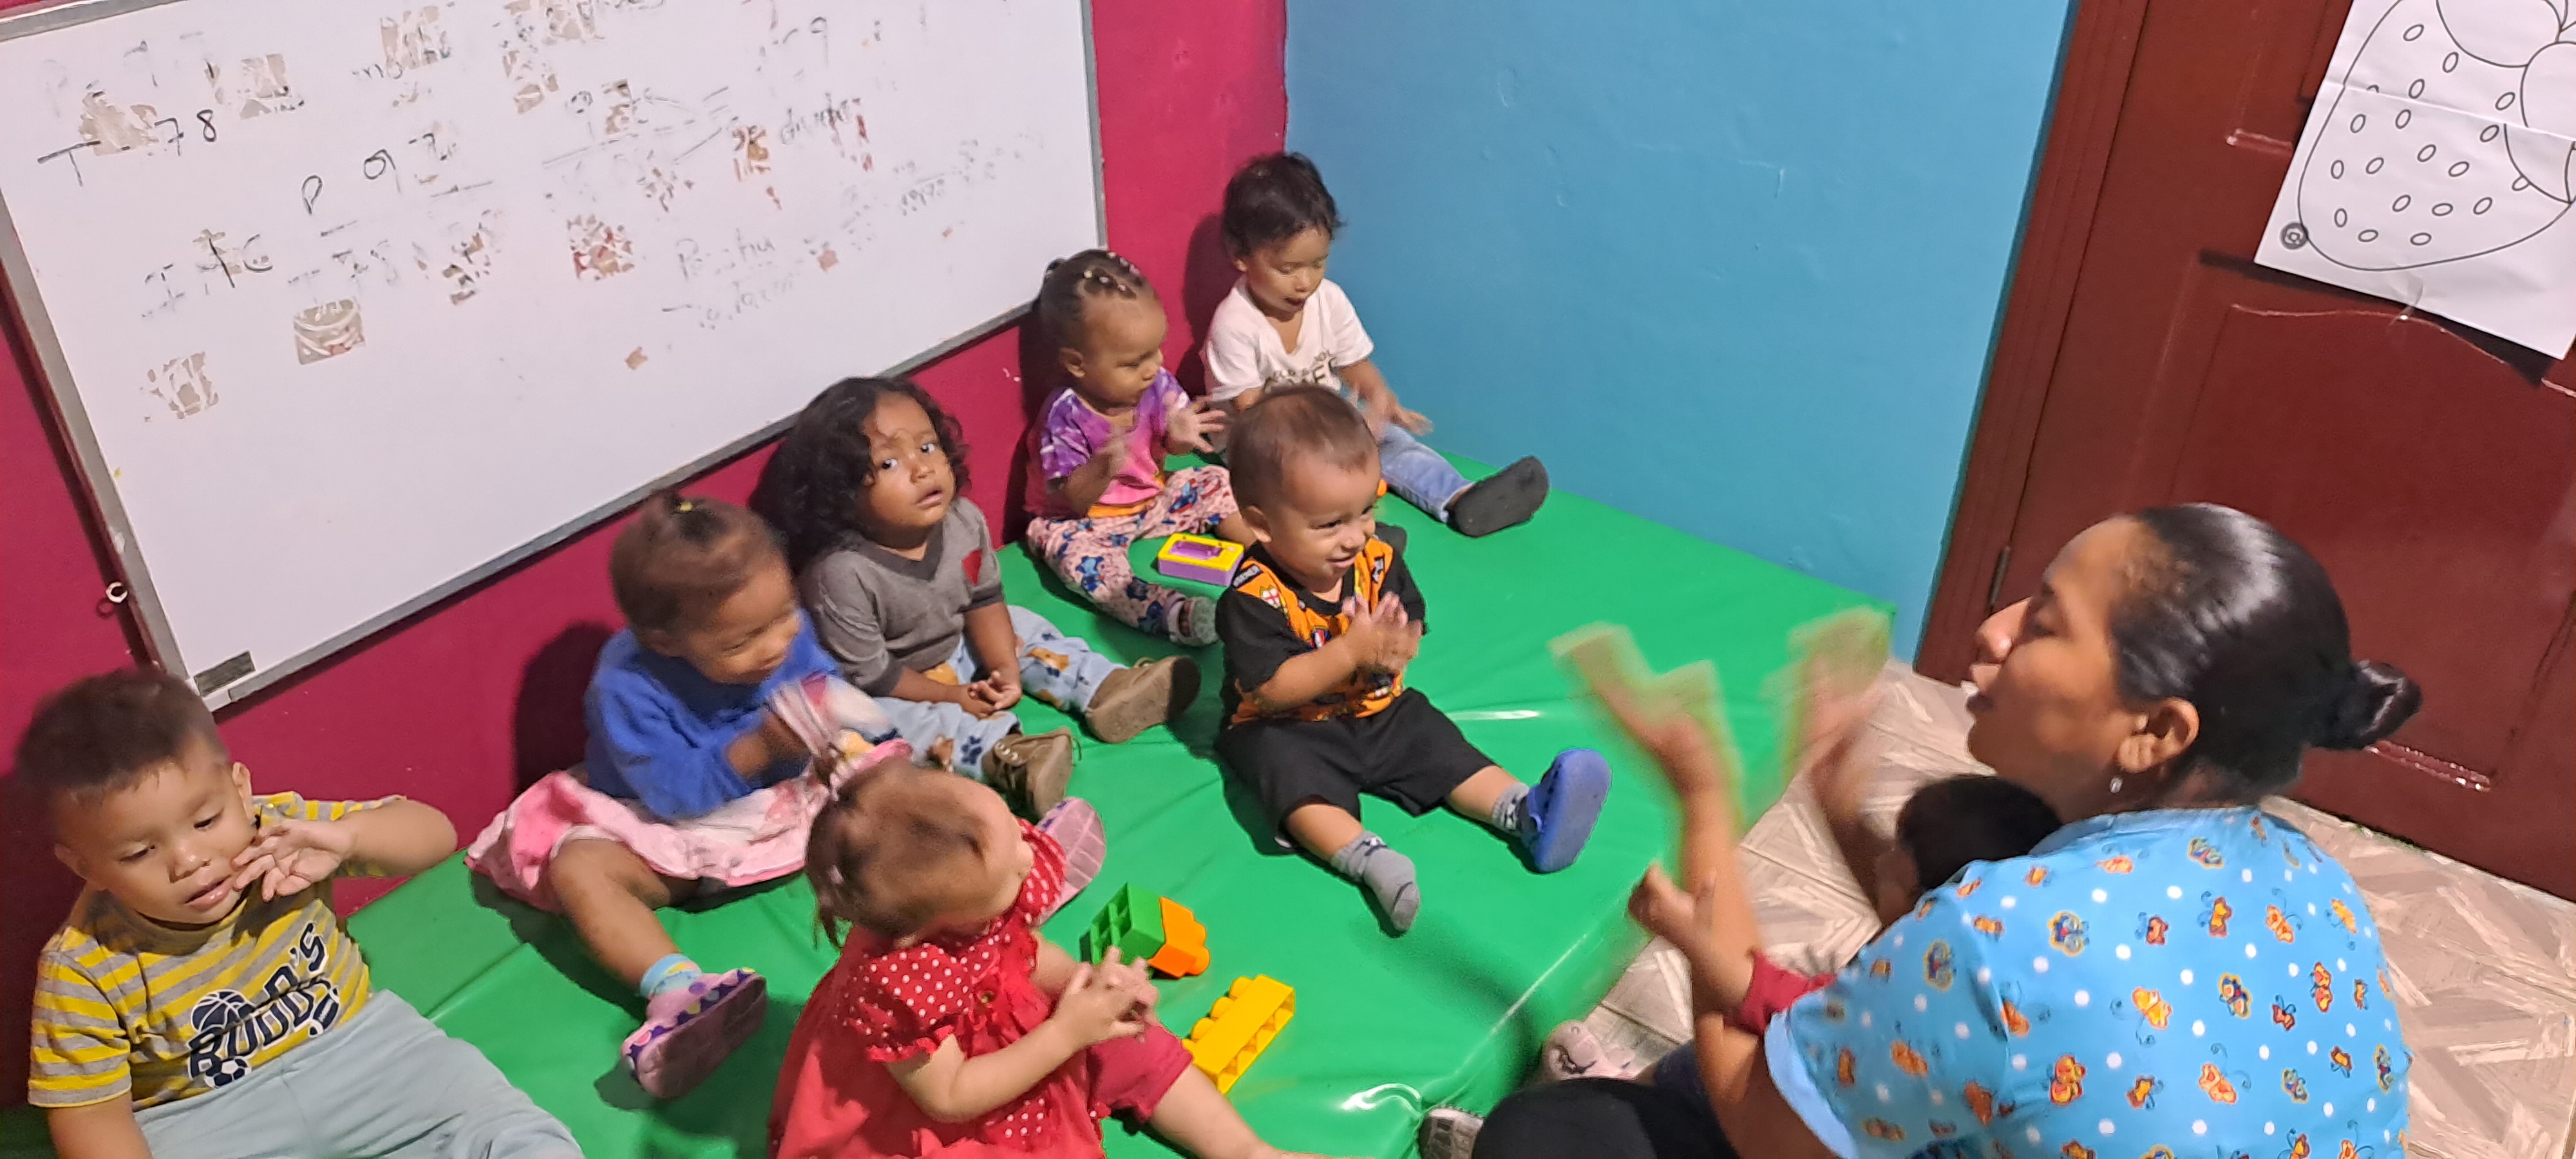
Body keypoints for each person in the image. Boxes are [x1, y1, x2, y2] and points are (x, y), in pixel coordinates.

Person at [1435, 504, 2422, 1159]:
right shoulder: (2311, 880)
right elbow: (1971, 990)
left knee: (1555, 1137)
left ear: (2156, 732)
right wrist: (1839, 806)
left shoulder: (2003, 937)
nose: (1995, 629)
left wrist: (1704, 801)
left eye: (2046, 624)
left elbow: (1768, 1126)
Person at [465, 492, 1077, 1100]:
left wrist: (836, 728)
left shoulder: (784, 632)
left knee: (892, 785)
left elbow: (825, 689)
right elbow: (673, 793)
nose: (776, 645)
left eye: (786, 615)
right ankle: (679, 992)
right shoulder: (625, 687)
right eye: (740, 643)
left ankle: (996, 882)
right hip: (679, 834)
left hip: (803, 801)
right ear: (665, 640)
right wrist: (758, 749)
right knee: (578, 866)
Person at [19, 670, 578, 1158]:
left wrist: (351, 838)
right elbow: (92, 1118)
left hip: (365, 1049)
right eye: (140, 852)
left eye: (206, 822)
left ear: (241, 790)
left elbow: (435, 835)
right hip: (205, 1113)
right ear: (86, 866)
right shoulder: (83, 966)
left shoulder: (284, 832)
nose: (189, 860)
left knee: (506, 1131)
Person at [768, 764, 1335, 1159]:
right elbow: (948, 1098)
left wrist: (1083, 984)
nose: (1027, 856)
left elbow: (1021, 948)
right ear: (926, 926)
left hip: (1010, 1021)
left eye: (1015, 831)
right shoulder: (900, 987)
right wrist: (1065, 1033)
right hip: (939, 1099)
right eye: (1009, 868)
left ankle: (1247, 1151)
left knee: (1133, 1041)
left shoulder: (974, 890)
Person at [1214, 385, 1608, 934]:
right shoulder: (1253, 597)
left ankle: (1524, 810)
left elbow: (1411, 618)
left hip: (1377, 708)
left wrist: (1400, 647)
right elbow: (1271, 689)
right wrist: (1349, 651)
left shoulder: (1376, 559)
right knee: (1289, 779)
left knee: (1435, 739)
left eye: (1366, 510)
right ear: (1262, 525)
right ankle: (1368, 858)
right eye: (1329, 524)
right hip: (1288, 726)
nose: (1356, 536)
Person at [755, 375, 1201, 778]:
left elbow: (984, 600)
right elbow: (874, 675)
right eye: (889, 463)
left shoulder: (963, 521)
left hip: (960, 645)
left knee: (1022, 626)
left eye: (927, 447)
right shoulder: (840, 574)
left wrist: (1004, 667)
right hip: (897, 682)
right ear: (840, 492)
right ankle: (1007, 758)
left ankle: (1106, 688)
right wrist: (953, 697)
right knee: (882, 722)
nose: (922, 468)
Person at [1540, 773, 2063, 1082]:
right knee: (1698, 1064)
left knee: (1710, 1065)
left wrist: (1689, 937)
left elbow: (1775, 1002)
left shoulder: (1901, 1003)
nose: (1879, 862)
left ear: (1933, 909)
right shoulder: (1982, 963)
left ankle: (1621, 1095)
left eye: (1897, 866)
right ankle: (1632, 1086)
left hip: (1796, 1117)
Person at [1204, 153, 1548, 537]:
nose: (1305, 282)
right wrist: (1326, 438)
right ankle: (1350, 533)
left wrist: (1378, 398)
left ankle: (1461, 497)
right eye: (1288, 269)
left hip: (1326, 429)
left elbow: (1355, 364)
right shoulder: (1235, 325)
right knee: (1294, 479)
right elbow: (1252, 410)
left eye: (1318, 264)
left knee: (1395, 444)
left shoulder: (1329, 300)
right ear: (1240, 256)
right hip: (1267, 443)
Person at [1024, 249, 1254, 646]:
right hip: (1087, 523)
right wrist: (1102, 466)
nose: (1153, 367)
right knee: (1081, 563)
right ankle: (1174, 614)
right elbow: (1073, 502)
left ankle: (1267, 556)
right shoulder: (1066, 415)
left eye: (1156, 350)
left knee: (1216, 480)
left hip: (1152, 502)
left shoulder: (1156, 383)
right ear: (1078, 363)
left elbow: (1171, 446)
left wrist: (1179, 438)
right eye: (1133, 363)